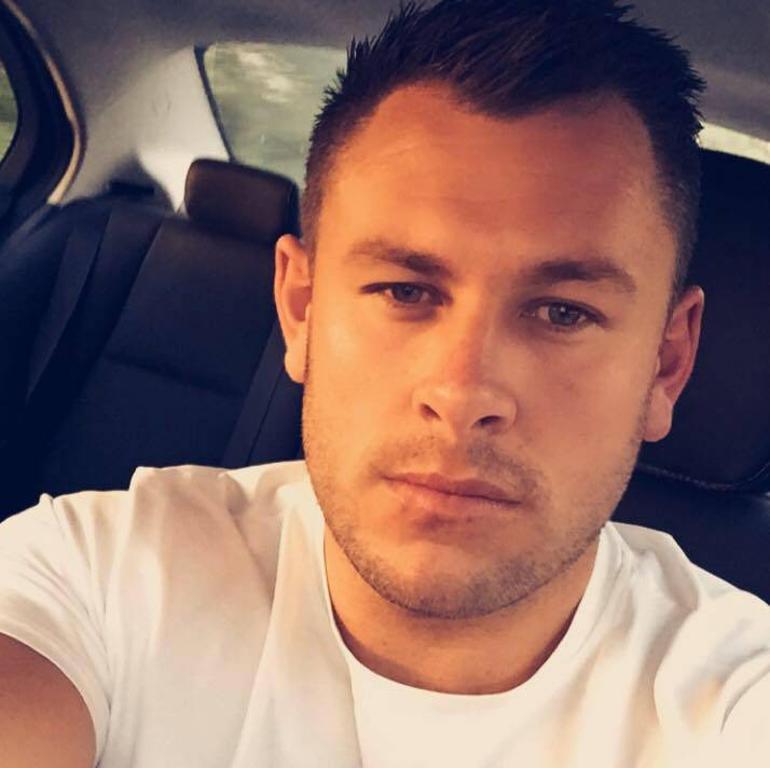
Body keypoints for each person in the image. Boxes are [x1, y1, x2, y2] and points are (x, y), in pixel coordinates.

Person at [1, 0, 769, 765]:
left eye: (563, 312)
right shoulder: (96, 576)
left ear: (666, 364)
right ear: (302, 310)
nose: (462, 396)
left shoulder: (735, 692)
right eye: (405, 291)